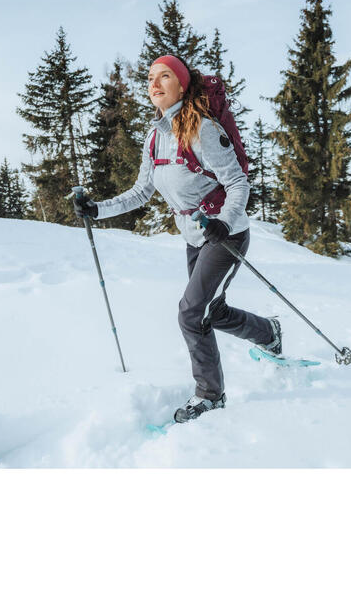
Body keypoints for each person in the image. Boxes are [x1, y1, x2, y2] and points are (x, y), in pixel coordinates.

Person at [72, 54, 282, 423]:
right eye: (151, 77)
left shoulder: (203, 129)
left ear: (182, 85)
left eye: (164, 76)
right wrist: (96, 210)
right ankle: (268, 332)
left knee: (190, 313)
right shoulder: (155, 137)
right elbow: (141, 192)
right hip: (194, 237)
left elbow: (237, 183)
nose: (154, 83)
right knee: (210, 312)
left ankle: (209, 395)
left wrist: (224, 221)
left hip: (226, 235)